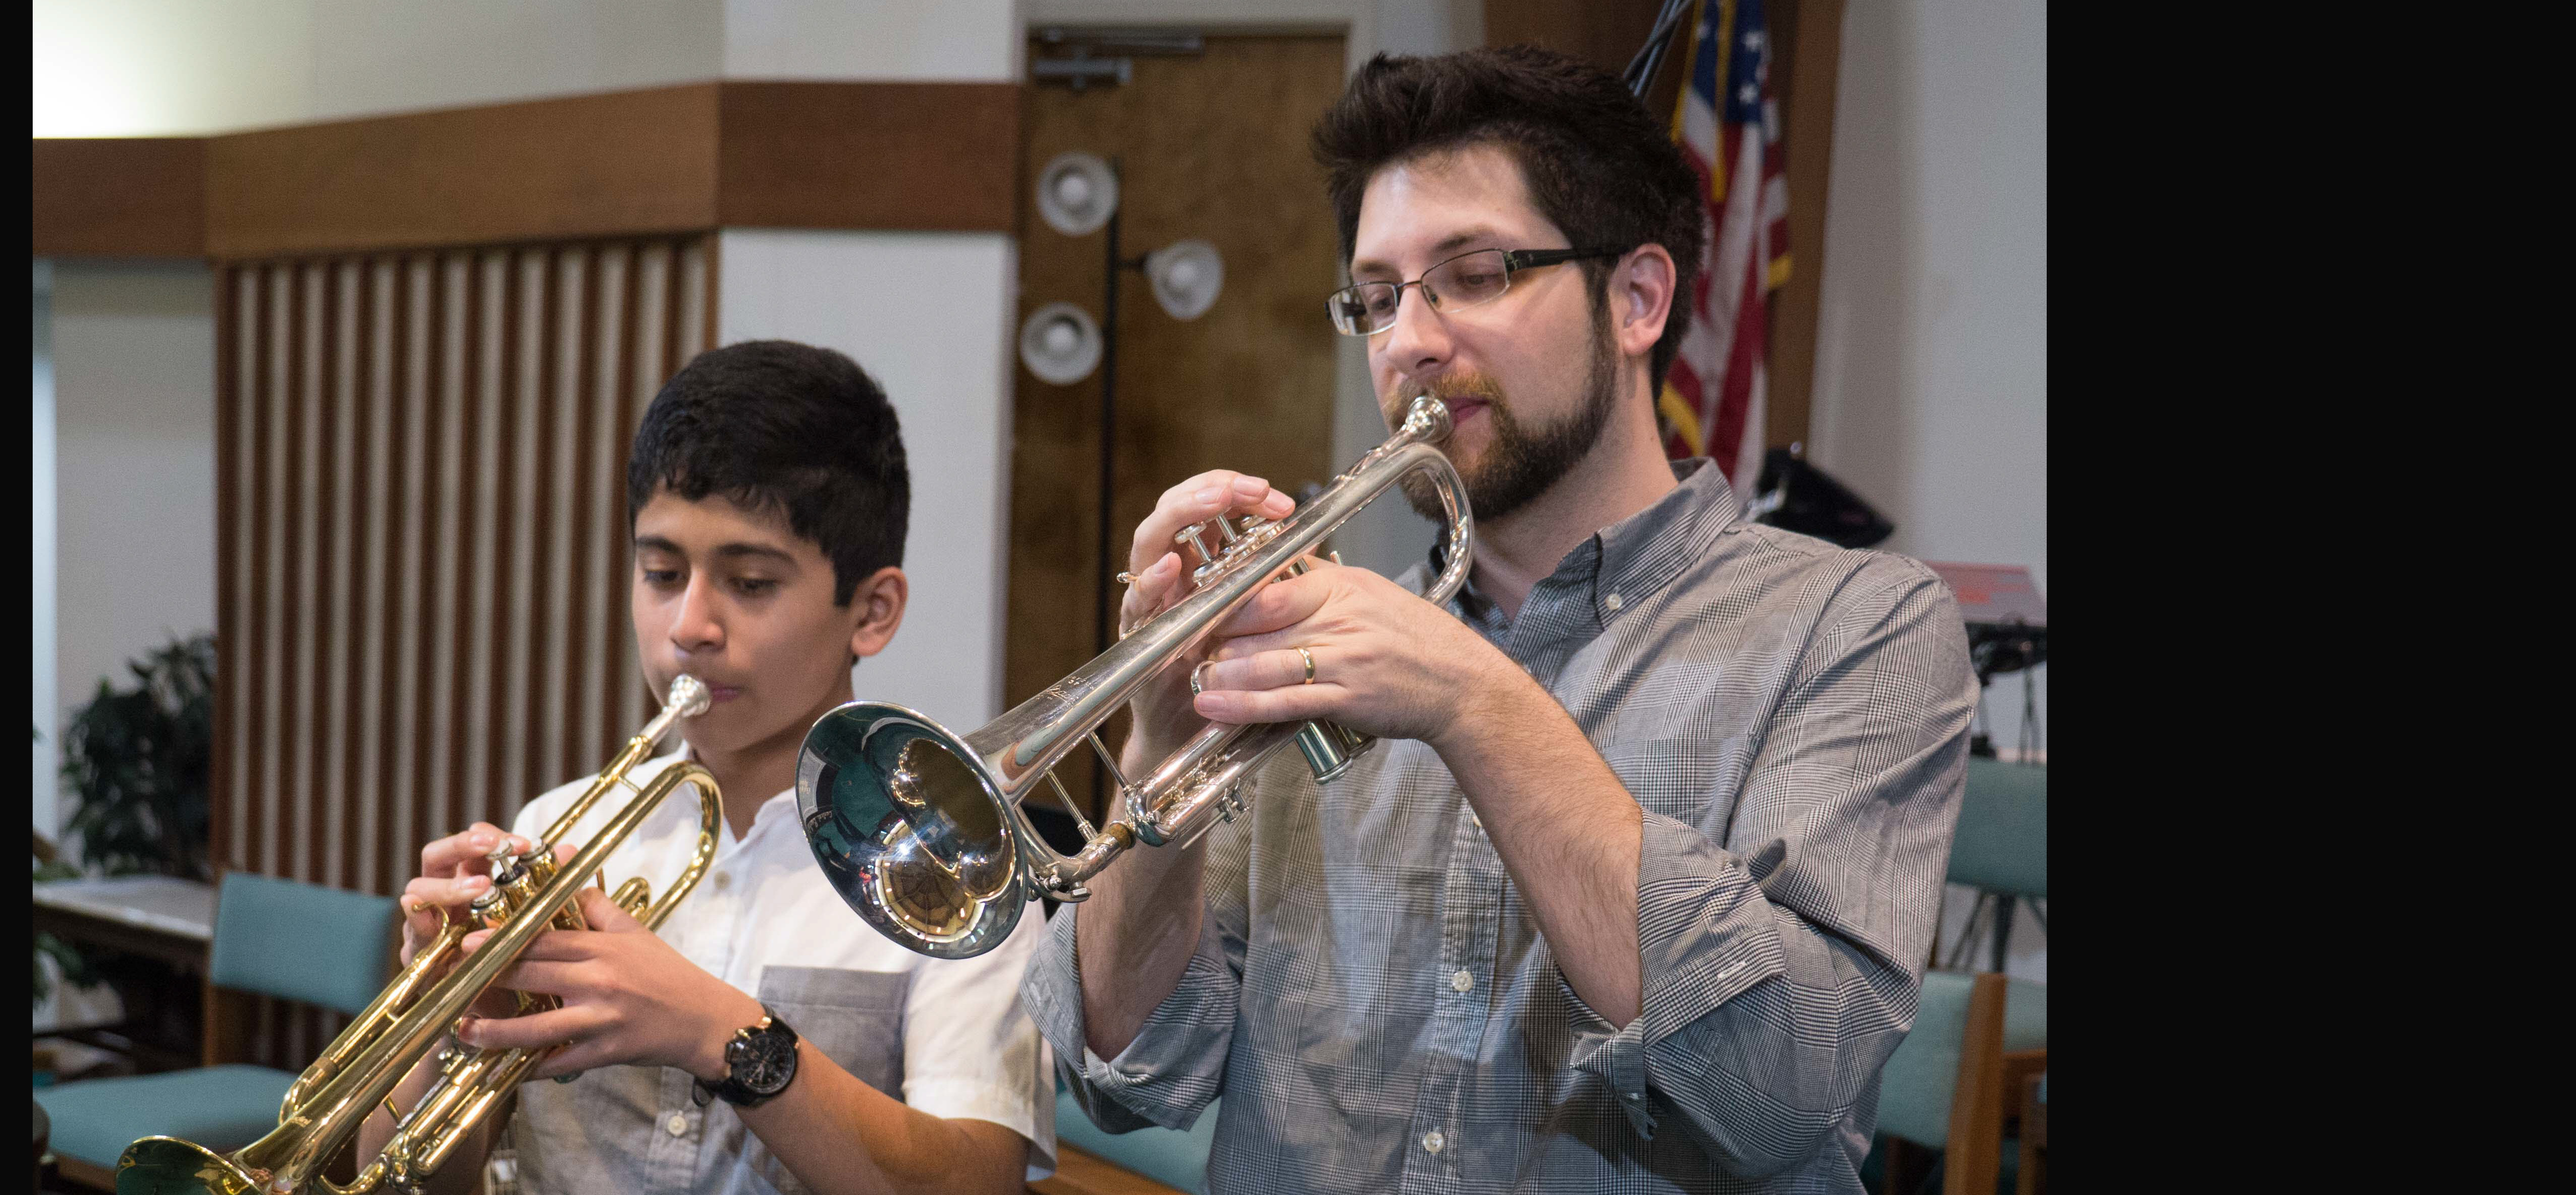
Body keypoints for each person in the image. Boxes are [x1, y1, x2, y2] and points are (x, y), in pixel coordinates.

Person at [1023, 45, 1977, 1193]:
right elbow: (1135, 1075)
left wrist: (1474, 702)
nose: (1410, 341)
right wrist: (1160, 757)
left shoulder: (1856, 625)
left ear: (1636, 300)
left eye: (1473, 274)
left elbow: (1782, 1093)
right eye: (1378, 297)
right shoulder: (1311, 637)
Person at [349, 340, 1049, 1195]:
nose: (689, 626)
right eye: (661, 572)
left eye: (750, 583)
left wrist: (719, 1033)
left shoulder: (957, 872)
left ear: (872, 611)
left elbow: (977, 1185)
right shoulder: (552, 832)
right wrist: (442, 1020)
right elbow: (398, 1187)